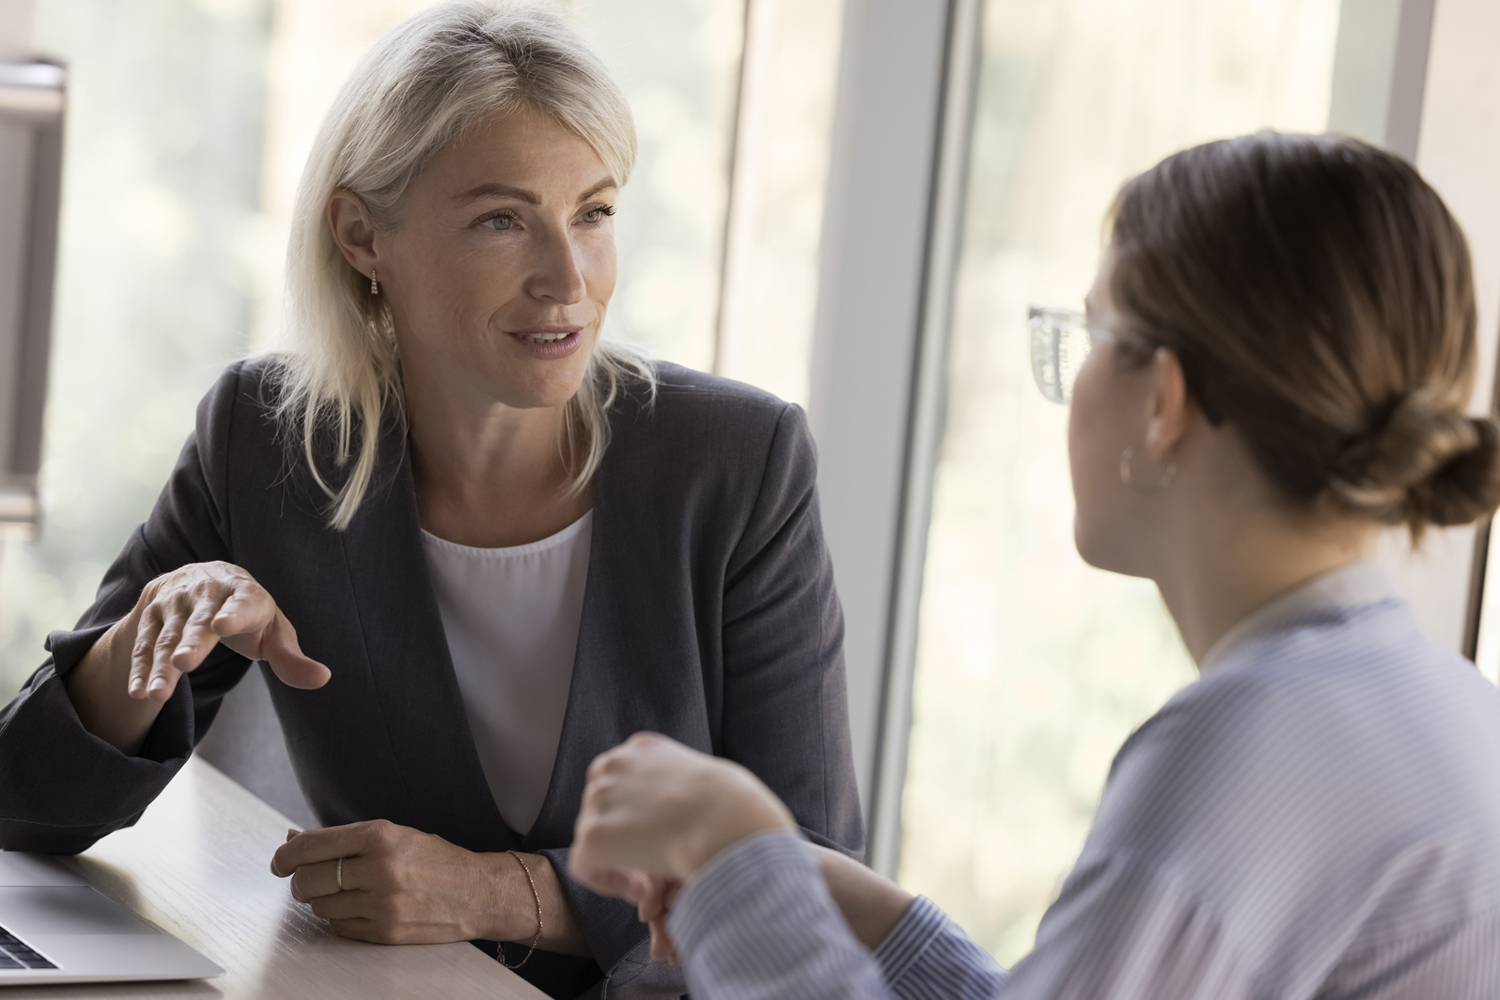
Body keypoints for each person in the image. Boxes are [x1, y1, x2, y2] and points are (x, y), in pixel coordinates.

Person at [0, 3, 862, 997]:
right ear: (363, 234)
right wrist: (142, 646)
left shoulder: (738, 461)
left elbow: (818, 881)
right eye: (503, 219)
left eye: (593, 212)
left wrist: (503, 894)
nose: (567, 280)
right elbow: (24, 804)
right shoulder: (271, 442)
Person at [567, 132, 1500, 999]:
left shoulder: (1254, 742)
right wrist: (829, 894)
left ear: (1162, 403)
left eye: (1090, 337)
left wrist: (736, 855)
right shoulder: (1432, 702)